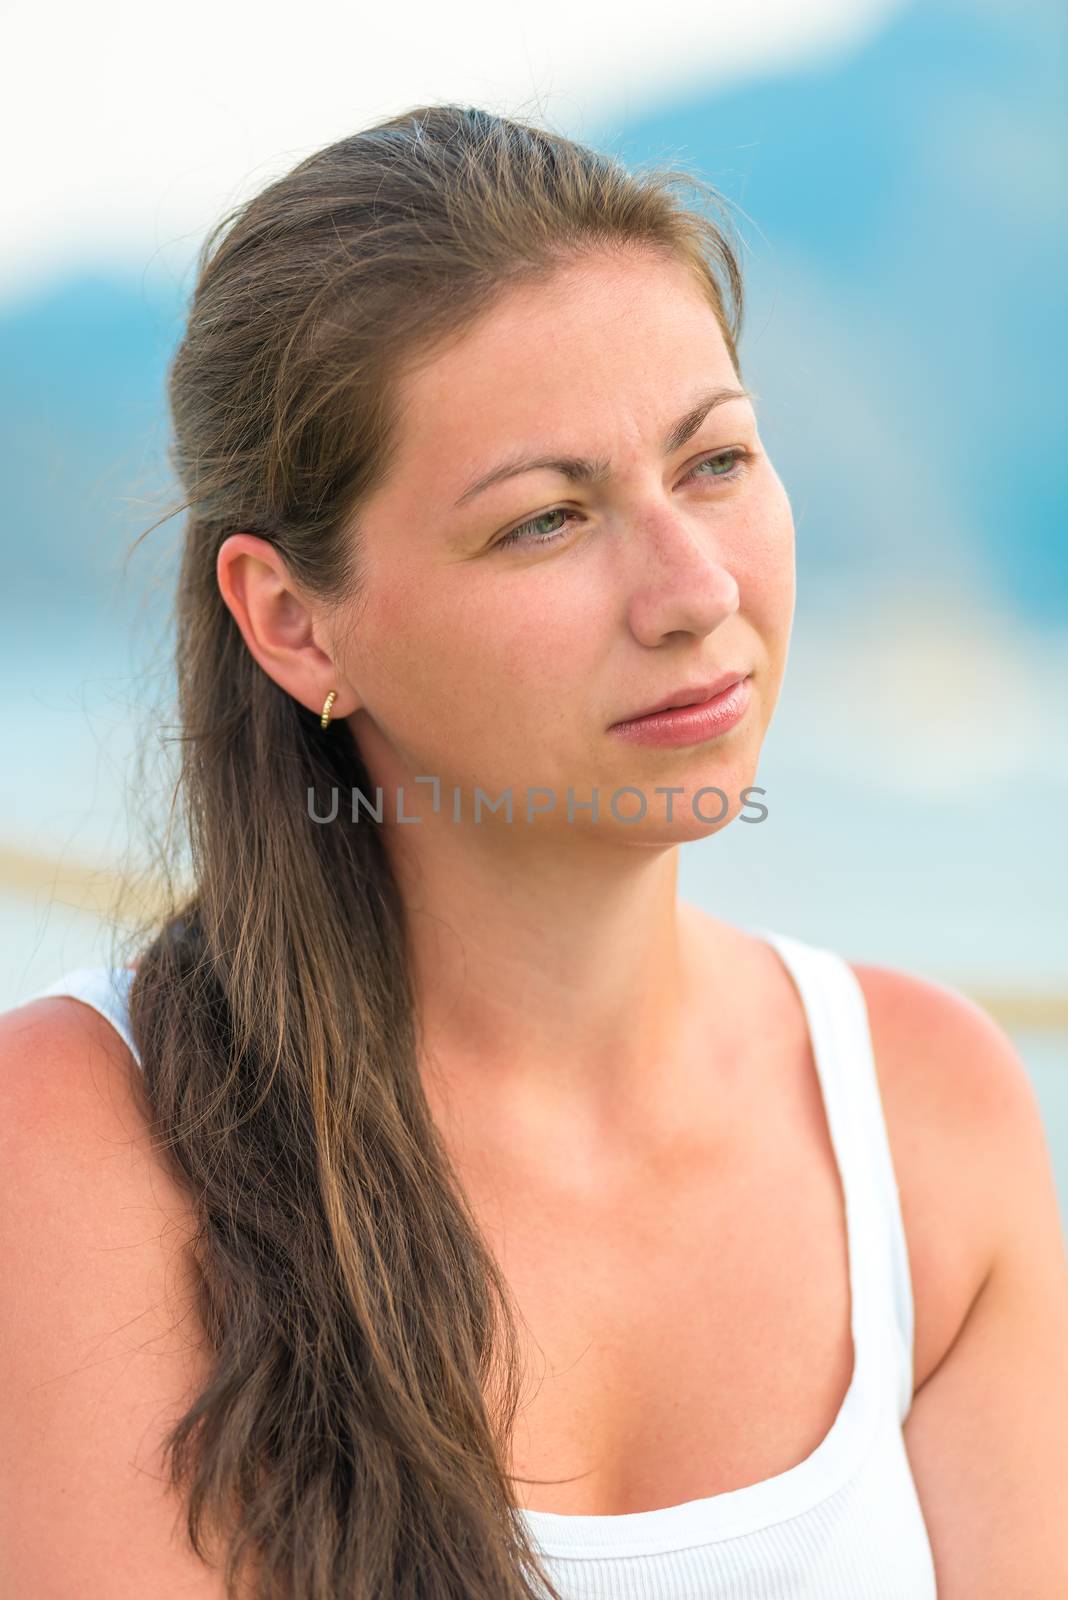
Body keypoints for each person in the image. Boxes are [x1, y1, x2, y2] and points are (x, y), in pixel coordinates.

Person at [2, 104, 1066, 1600]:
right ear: (293, 621)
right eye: (548, 521)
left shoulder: (926, 1119)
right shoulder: (77, 1144)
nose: (694, 591)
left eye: (715, 463)